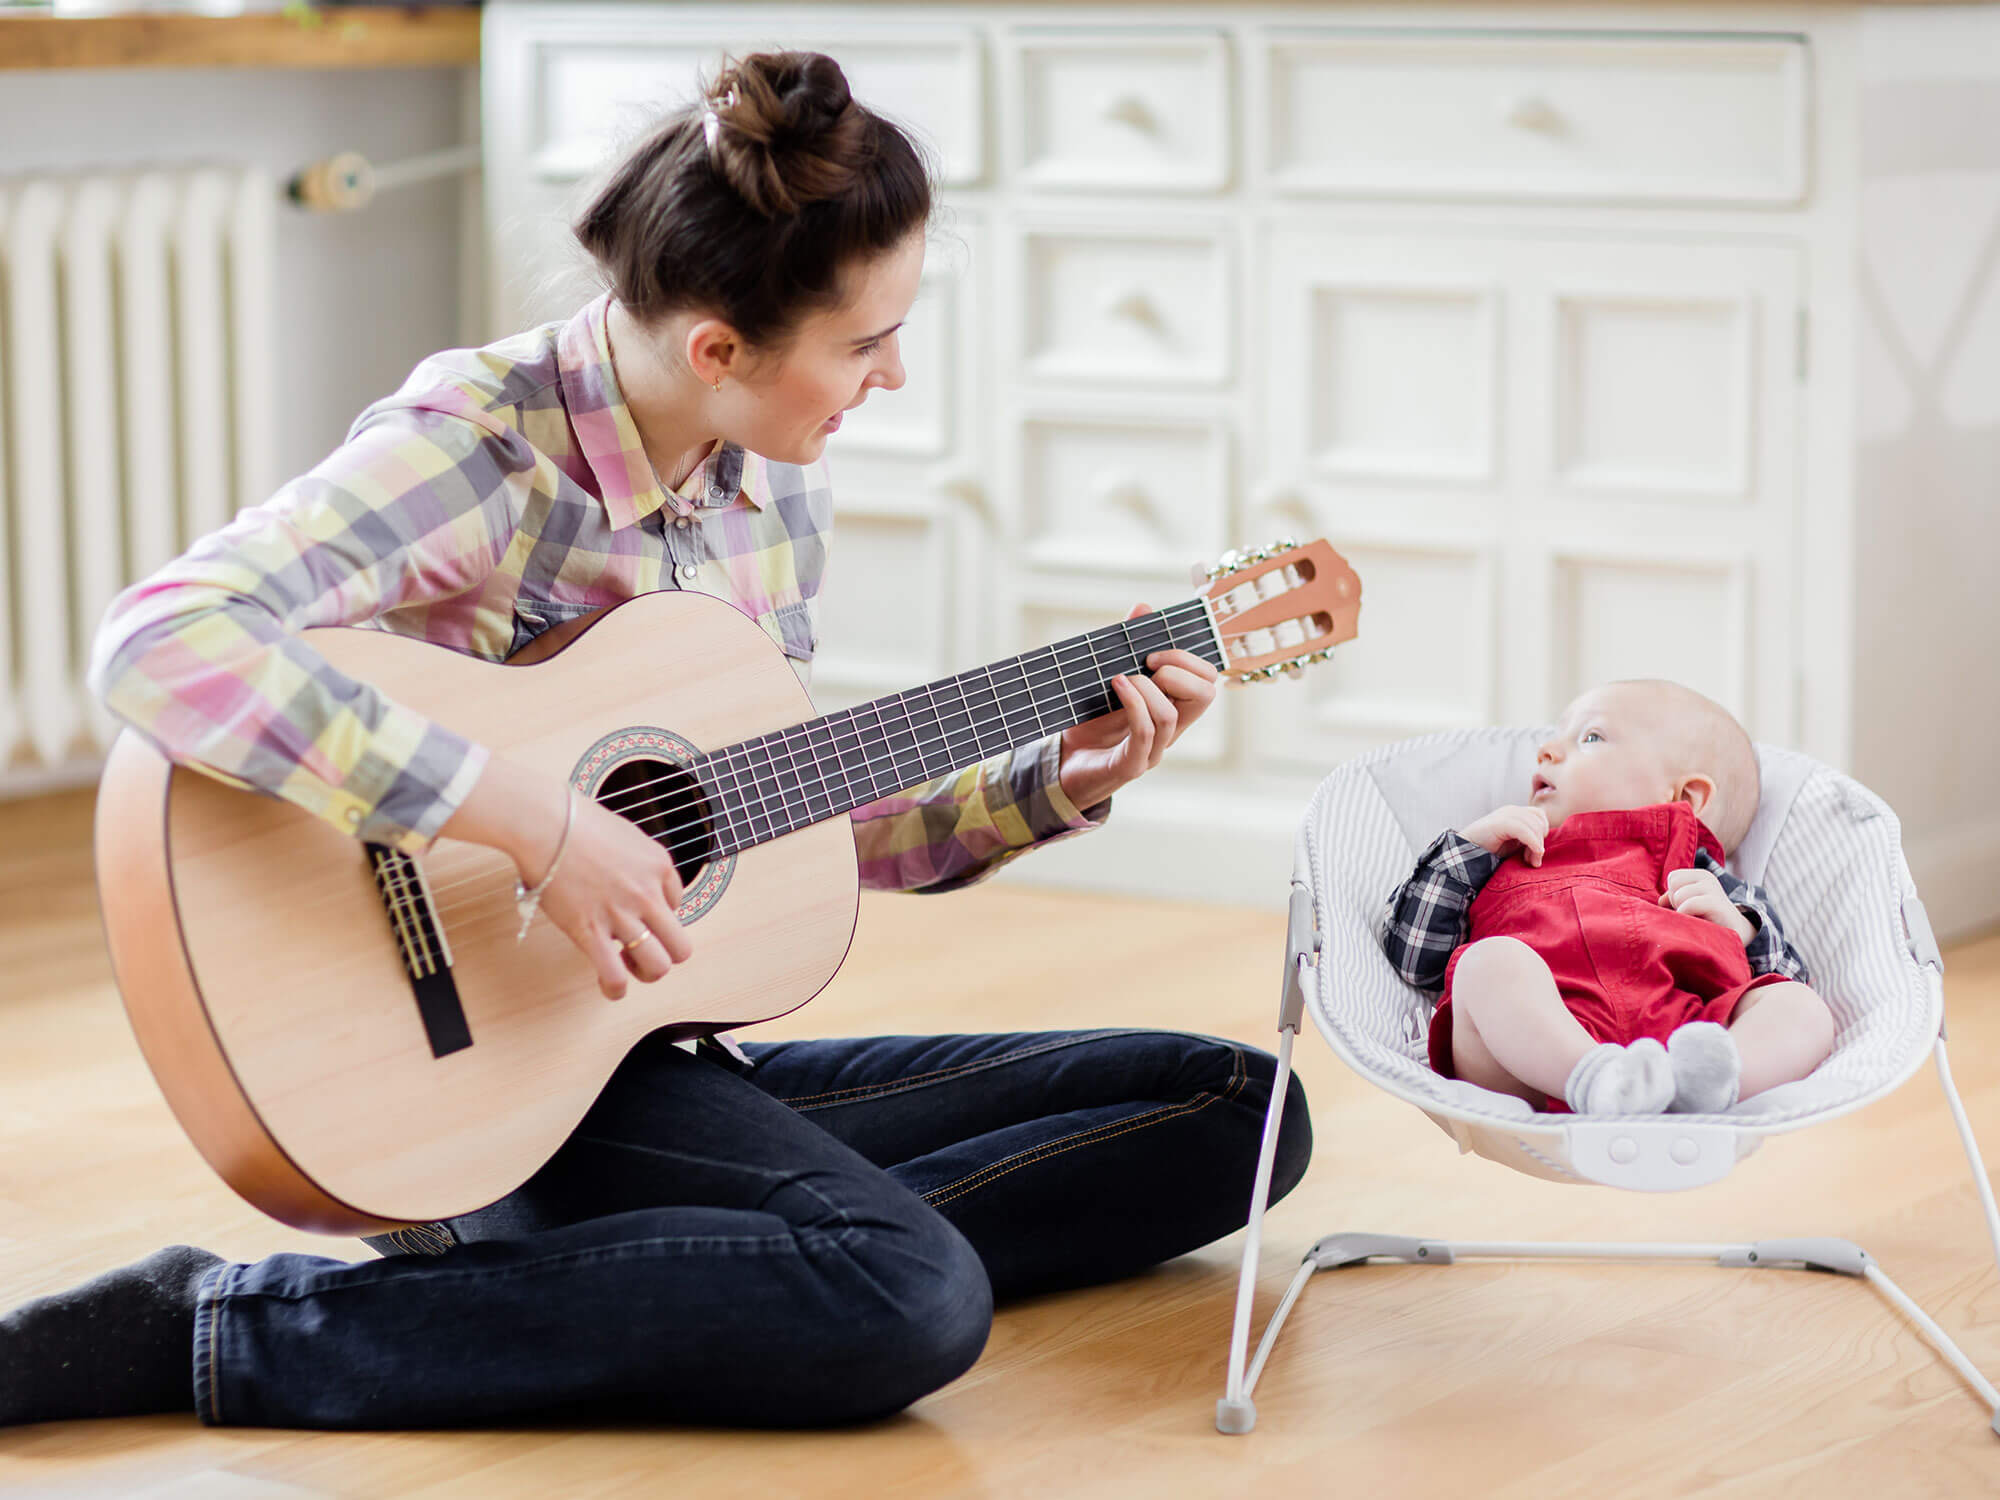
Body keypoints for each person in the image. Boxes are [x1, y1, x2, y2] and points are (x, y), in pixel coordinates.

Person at [0, 53, 1311, 1430]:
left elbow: (793, 822)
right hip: (463, 1059)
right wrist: (533, 817)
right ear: (717, 348)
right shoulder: (484, 452)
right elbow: (160, 638)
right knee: (909, 1302)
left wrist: (1055, 786)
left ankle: (671, 1266)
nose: (893, 374)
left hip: (629, 1055)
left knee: (1237, 1108)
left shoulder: (765, 491)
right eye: (865, 344)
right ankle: (217, 1327)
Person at [1379, 679, 1835, 1117]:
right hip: (1530, 1059)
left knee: (1802, 1009)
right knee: (1487, 963)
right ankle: (1594, 1078)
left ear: (1683, 797)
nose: (1547, 750)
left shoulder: (1702, 878)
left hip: (1680, 1037)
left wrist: (1740, 927)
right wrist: (1468, 847)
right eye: (1559, 737)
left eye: (1591, 737)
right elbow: (1416, 959)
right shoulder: (1507, 851)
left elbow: (1789, 974)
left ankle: (1714, 1081)